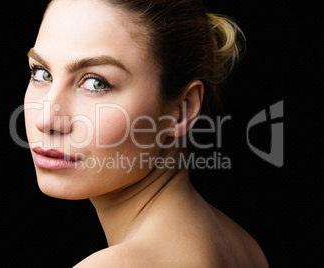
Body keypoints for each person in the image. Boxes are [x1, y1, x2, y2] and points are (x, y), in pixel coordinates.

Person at [24, 0, 269, 266]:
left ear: (182, 109)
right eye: (42, 73)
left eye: (96, 83)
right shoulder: (244, 247)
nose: (46, 119)